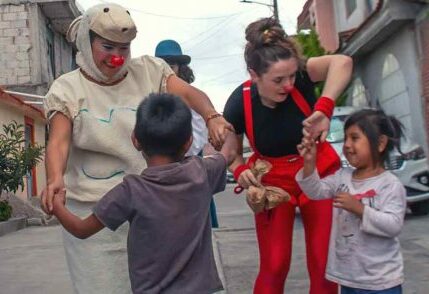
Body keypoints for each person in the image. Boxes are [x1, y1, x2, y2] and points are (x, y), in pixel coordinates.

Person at [41, 3, 232, 293]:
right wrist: (55, 178)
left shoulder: (149, 70)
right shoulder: (66, 89)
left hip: (150, 211)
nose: (118, 58)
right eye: (108, 47)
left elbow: (189, 93)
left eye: (124, 49)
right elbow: (58, 140)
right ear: (86, 41)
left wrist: (212, 116)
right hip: (96, 217)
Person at [52, 92, 237, 293]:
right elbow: (229, 153)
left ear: (135, 140)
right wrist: (222, 127)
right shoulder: (201, 172)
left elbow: (81, 229)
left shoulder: (131, 191)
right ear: (189, 142)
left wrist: (57, 205)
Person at [223, 17, 353, 293]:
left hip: (317, 172)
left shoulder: (303, 76)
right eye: (278, 79)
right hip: (273, 183)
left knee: (323, 264)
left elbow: (342, 62)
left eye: (292, 76)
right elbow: (231, 154)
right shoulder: (238, 102)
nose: (289, 85)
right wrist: (239, 171)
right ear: (254, 74)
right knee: (274, 264)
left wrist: (324, 107)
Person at [296, 109, 406, 294]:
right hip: (348, 279)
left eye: (354, 138)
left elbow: (393, 225)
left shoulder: (389, 185)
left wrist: (360, 209)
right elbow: (315, 191)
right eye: (346, 138)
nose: (346, 145)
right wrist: (309, 163)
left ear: (380, 143)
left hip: (381, 282)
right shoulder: (342, 177)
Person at [154, 39, 219, 228]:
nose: (167, 70)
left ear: (180, 68)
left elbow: (198, 139)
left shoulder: (193, 96)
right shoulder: (151, 98)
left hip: (190, 169)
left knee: (196, 227)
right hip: (161, 173)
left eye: (172, 65)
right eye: (163, 65)